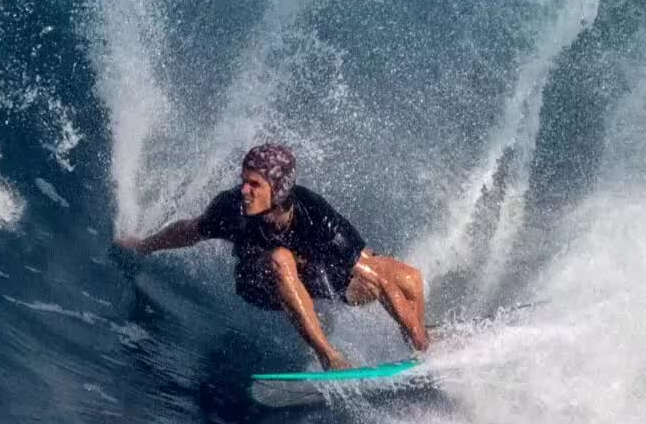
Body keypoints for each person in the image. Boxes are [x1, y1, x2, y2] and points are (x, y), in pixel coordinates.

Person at [115, 143, 429, 370]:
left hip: (308, 277)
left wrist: (414, 331)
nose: (244, 190)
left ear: (278, 189)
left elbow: (377, 274)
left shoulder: (316, 214)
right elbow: (189, 231)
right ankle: (330, 358)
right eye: (243, 181)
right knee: (281, 258)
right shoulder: (231, 208)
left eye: (255, 184)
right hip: (258, 281)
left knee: (406, 278)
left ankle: (421, 343)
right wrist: (144, 245)